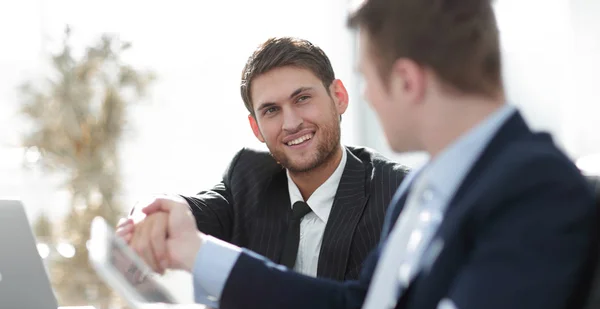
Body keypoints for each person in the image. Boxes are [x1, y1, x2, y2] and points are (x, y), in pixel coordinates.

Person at [131, 0, 599, 309]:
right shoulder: (425, 188)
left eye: (367, 78)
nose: (367, 97)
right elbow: (354, 306)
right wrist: (195, 252)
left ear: (407, 81)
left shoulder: (538, 186)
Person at [117, 37, 409, 281]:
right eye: (271, 110)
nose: (291, 123)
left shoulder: (397, 193)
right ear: (256, 127)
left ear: (339, 96)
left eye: (302, 98)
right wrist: (152, 213)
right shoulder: (249, 177)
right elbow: (192, 210)